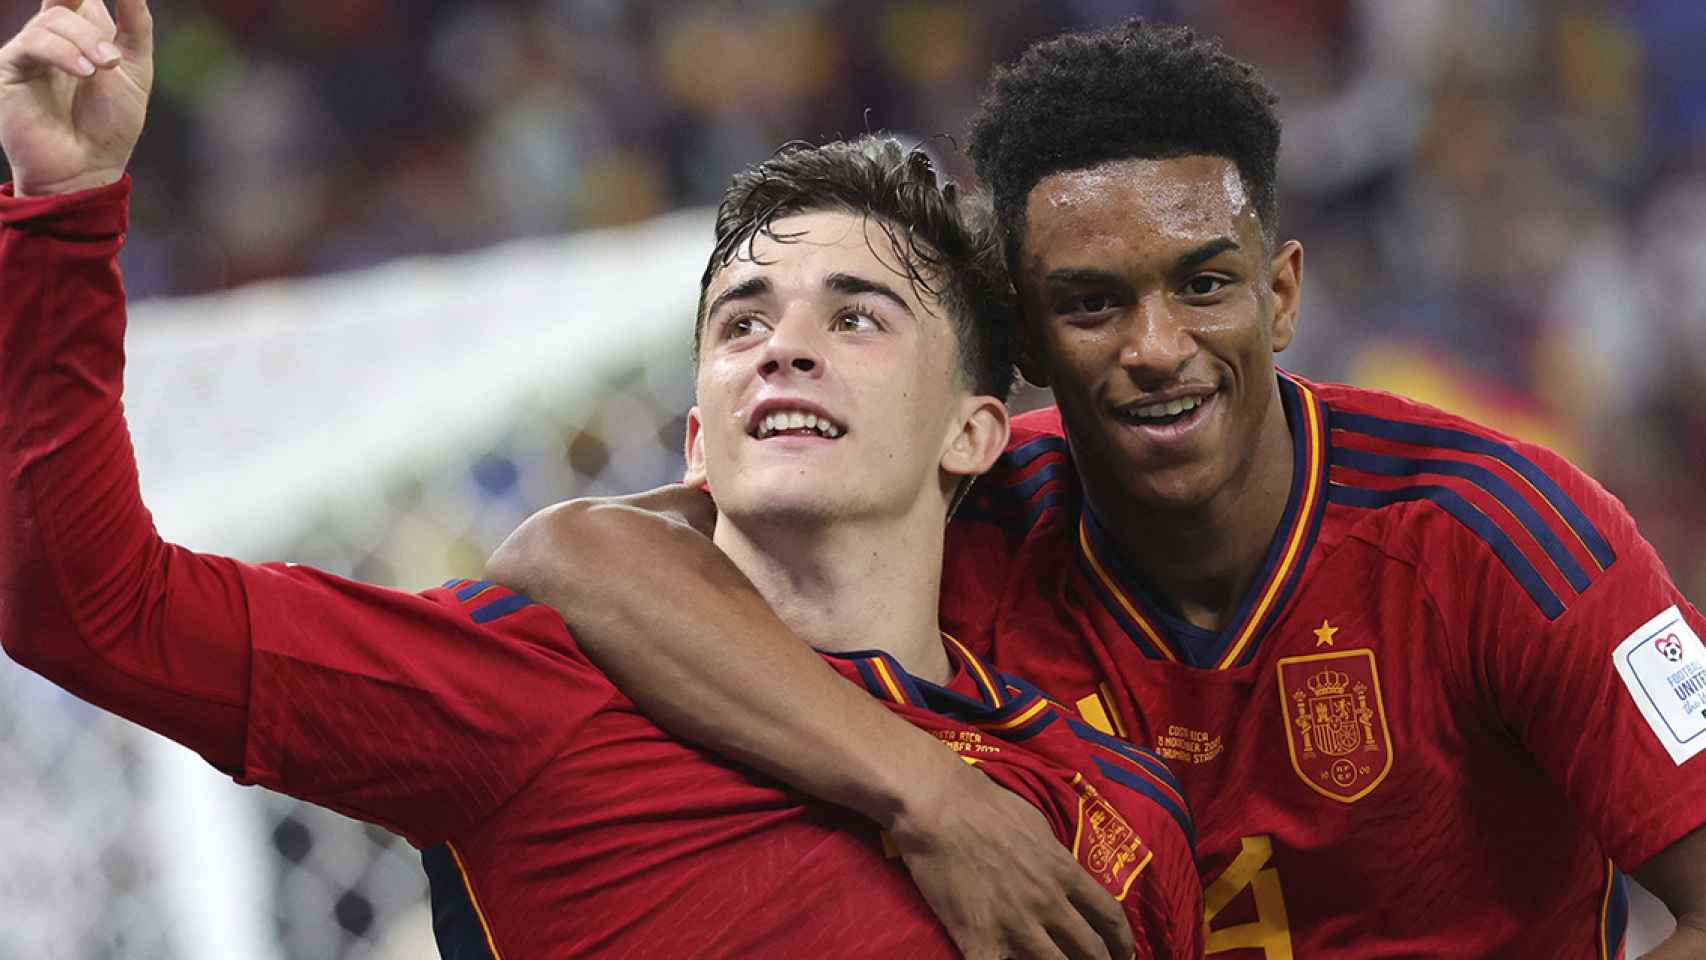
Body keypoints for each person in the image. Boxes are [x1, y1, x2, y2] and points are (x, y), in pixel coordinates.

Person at [0, 3, 1208, 957]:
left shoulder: (1106, 805)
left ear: (974, 433)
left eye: (858, 318)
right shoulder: (531, 682)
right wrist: (63, 209)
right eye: (742, 324)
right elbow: (92, 608)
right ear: (696, 442)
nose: (783, 346)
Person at [488, 18, 1706, 959]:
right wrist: (925, 797)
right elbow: (571, 554)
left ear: (1279, 295)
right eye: (1091, 303)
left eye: (1202, 285)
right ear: (1019, 339)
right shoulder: (959, 507)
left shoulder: (1500, 534)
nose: (1157, 346)